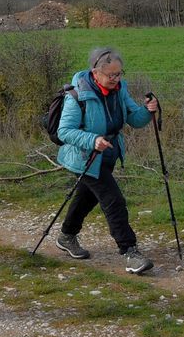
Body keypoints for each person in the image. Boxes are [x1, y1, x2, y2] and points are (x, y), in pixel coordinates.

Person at [54, 47, 158, 275]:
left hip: (108, 155)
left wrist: (148, 111)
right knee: (114, 200)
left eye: (119, 74)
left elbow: (134, 119)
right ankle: (130, 252)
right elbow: (65, 132)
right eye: (111, 75)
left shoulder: (120, 90)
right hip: (85, 157)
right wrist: (93, 140)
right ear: (95, 72)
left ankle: (66, 236)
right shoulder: (78, 93)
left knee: (86, 197)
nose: (116, 79)